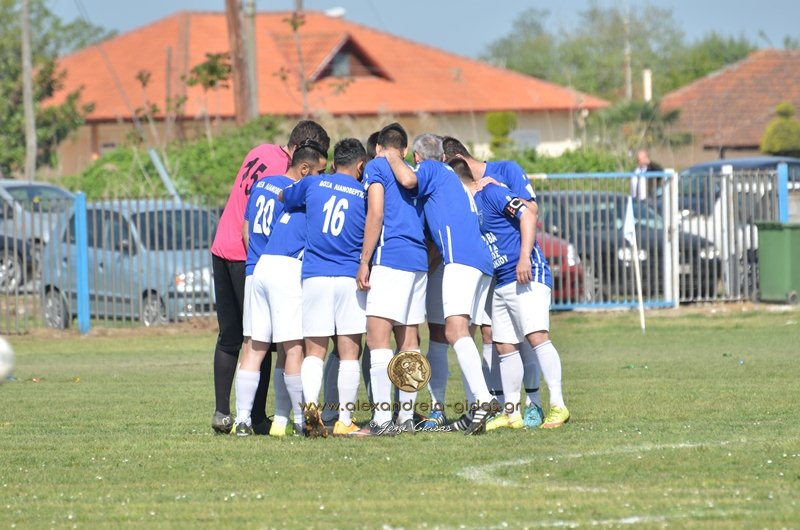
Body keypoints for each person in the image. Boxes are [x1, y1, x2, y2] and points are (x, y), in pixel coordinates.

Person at [211, 120, 329, 435]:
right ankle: (297, 421)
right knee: (292, 348)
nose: (320, 179)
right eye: (319, 172)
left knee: (248, 345)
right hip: (277, 268)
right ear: (305, 166)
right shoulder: (295, 193)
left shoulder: (262, 167)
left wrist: (258, 260)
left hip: (250, 264)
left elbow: (246, 228)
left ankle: (239, 419)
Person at [384, 133, 500, 435]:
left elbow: (408, 180)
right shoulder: (451, 177)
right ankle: (477, 406)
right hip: (480, 260)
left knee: (454, 331)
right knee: (464, 333)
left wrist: (392, 155)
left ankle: (484, 399)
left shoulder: (431, 169)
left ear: (418, 157)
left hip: (461, 259)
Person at [450, 157, 571, 430]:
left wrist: (524, 257)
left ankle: (558, 405)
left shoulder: (491, 192)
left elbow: (528, 214)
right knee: (504, 346)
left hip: (526, 273)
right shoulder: (471, 205)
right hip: (502, 280)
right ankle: (512, 413)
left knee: (537, 337)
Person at [441, 136, 544, 428]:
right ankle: (501, 405)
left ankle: (534, 403)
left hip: (516, 268)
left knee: (527, 336)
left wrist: (497, 189)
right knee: (491, 335)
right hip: (489, 270)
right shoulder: (466, 192)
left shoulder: (506, 170)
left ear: (457, 159)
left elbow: (531, 211)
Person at [281, 138, 369, 438]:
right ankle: (344, 420)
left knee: (314, 352)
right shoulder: (364, 193)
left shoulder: (313, 184)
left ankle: (311, 409)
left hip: (315, 275)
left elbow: (284, 196)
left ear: (333, 163)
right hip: (348, 276)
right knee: (349, 352)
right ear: (360, 165)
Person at [355, 123, 428, 436]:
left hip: (391, 258)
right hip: (418, 261)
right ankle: (406, 418)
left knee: (377, 339)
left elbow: (376, 212)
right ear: (405, 149)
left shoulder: (377, 166)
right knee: (409, 341)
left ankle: (382, 419)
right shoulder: (415, 171)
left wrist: (364, 260)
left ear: (378, 148)